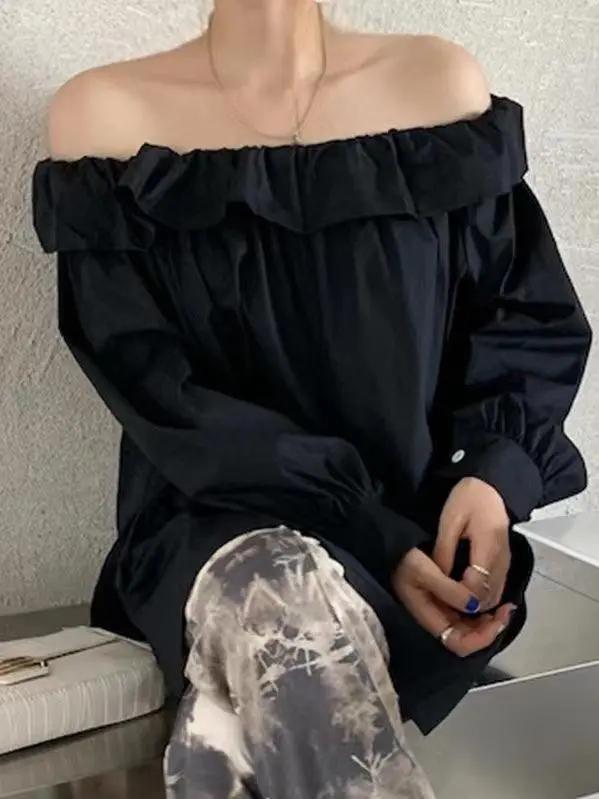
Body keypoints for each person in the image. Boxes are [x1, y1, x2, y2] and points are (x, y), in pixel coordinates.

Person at [30, 1, 592, 796]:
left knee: (232, 724)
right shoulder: (107, 117)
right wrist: (368, 529)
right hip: (217, 530)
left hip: (423, 545)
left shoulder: (435, 86)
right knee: (277, 590)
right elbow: (160, 393)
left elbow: (521, 314)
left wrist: (492, 477)